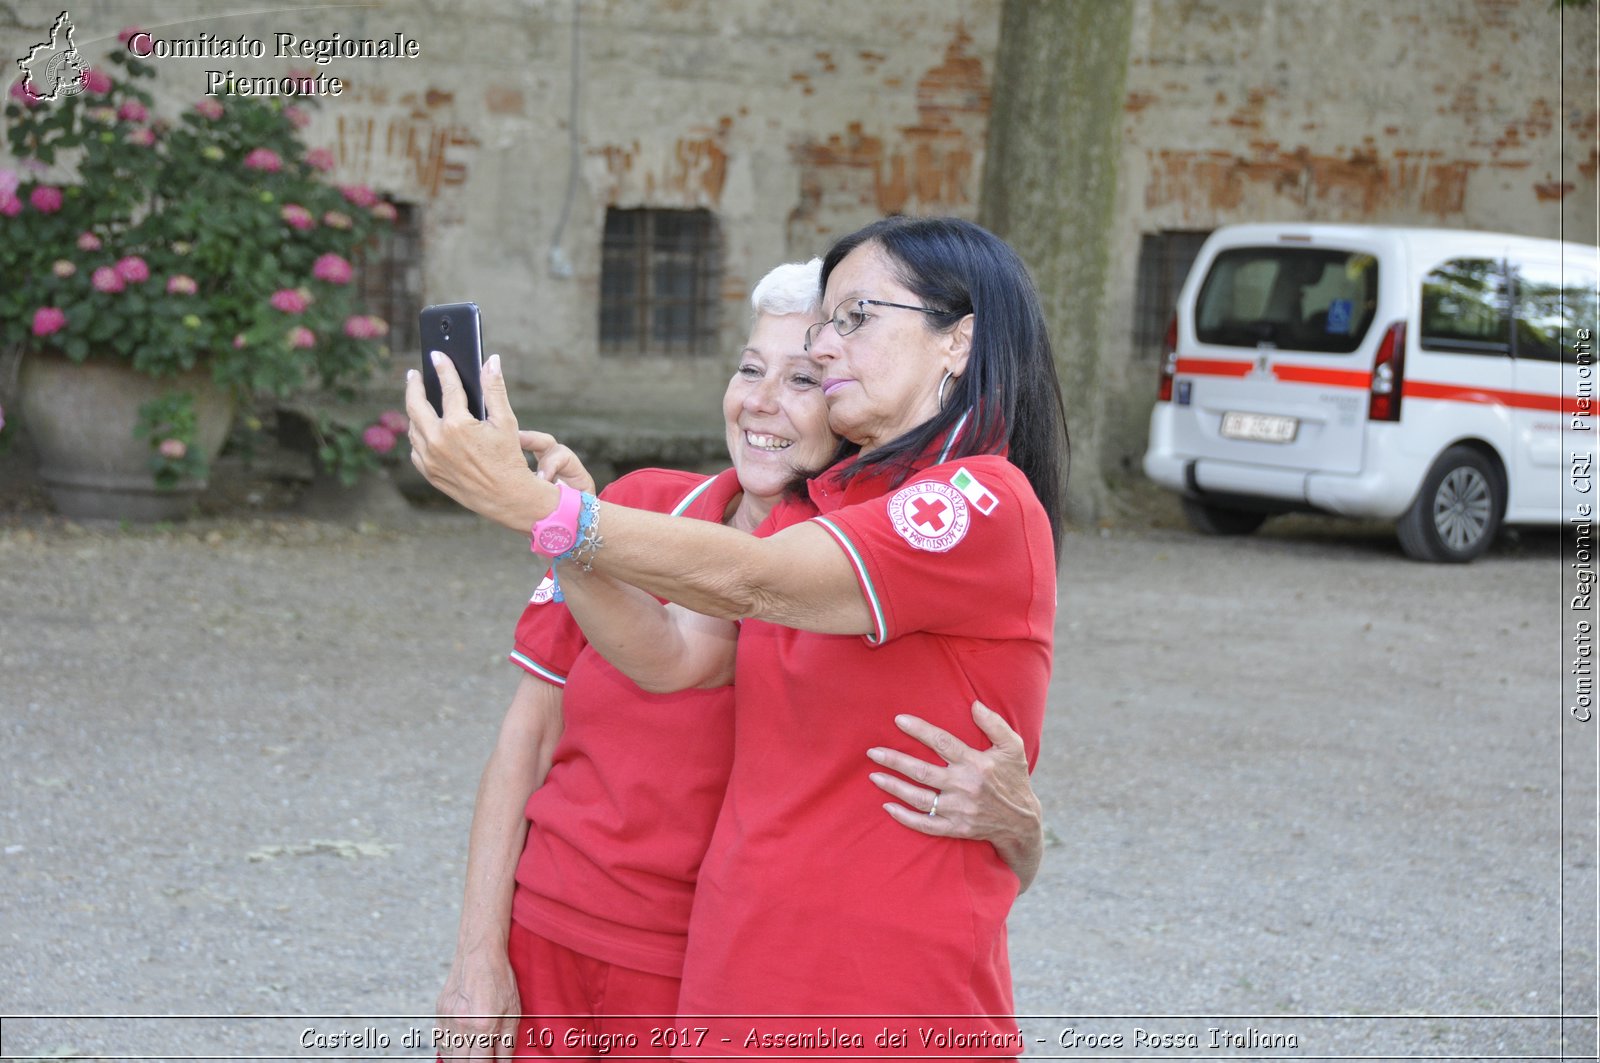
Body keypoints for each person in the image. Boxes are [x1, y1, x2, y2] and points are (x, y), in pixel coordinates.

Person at [408, 216, 1068, 1056]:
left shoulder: (978, 499)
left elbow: (754, 579)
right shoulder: (810, 508)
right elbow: (675, 656)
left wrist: (543, 509)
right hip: (738, 973)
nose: (827, 346)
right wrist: (559, 531)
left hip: (881, 987)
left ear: (958, 340)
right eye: (823, 324)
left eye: (854, 317)